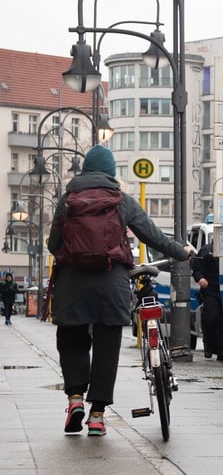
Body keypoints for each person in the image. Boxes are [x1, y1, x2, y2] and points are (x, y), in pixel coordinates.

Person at [47, 145, 194, 437]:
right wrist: (182, 251)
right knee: (107, 346)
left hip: (72, 283)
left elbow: (53, 245)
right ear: (112, 172)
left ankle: (75, 399)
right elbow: (152, 236)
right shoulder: (121, 201)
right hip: (110, 283)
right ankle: (98, 416)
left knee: (72, 339)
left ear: (85, 171)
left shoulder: (67, 201)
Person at [191, 242, 223, 361]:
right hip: (210, 290)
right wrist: (200, 279)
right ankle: (209, 345)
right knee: (211, 319)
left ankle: (221, 350)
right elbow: (196, 268)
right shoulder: (206, 250)